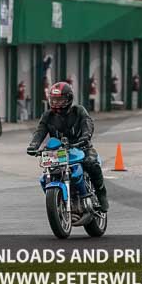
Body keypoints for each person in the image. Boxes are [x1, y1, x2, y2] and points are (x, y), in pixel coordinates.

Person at [26, 82, 108, 212]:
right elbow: (40, 131)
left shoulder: (78, 111)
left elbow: (87, 123)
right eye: (54, 100)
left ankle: (101, 194)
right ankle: (58, 201)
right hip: (58, 151)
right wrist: (33, 146)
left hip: (81, 147)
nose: (56, 103)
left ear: (69, 99)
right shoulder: (48, 115)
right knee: (46, 175)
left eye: (60, 100)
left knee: (91, 163)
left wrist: (85, 137)